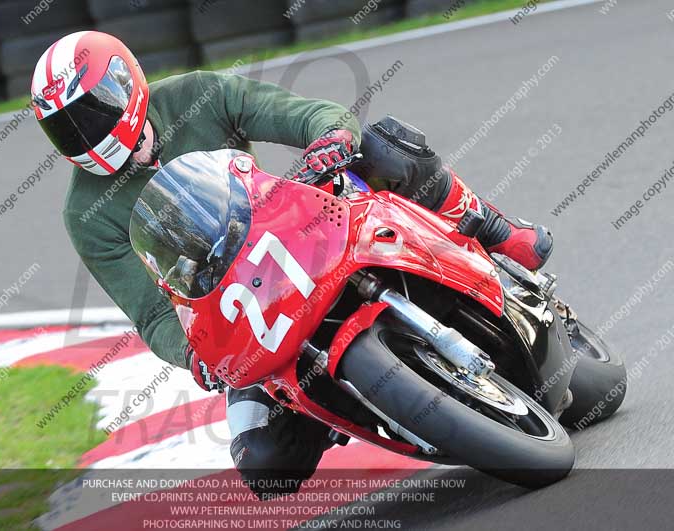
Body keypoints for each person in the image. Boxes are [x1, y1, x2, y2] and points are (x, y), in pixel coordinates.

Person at [32, 31, 553, 498]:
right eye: (64, 127)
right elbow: (149, 313)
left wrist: (330, 137)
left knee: (381, 146)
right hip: (235, 312)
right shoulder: (85, 215)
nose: (83, 133)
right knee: (264, 465)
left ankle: (496, 230)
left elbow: (302, 114)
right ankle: (345, 406)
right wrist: (196, 359)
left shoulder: (197, 95)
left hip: (289, 223)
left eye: (91, 112)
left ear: (124, 86)